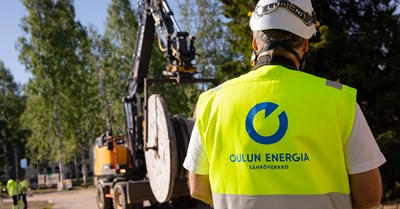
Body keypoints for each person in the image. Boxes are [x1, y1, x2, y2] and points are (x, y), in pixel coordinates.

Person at [183, 0, 386, 208]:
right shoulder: (340, 101)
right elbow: (369, 195)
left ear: (255, 42)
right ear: (305, 44)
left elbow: (198, 188)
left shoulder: (212, 102)